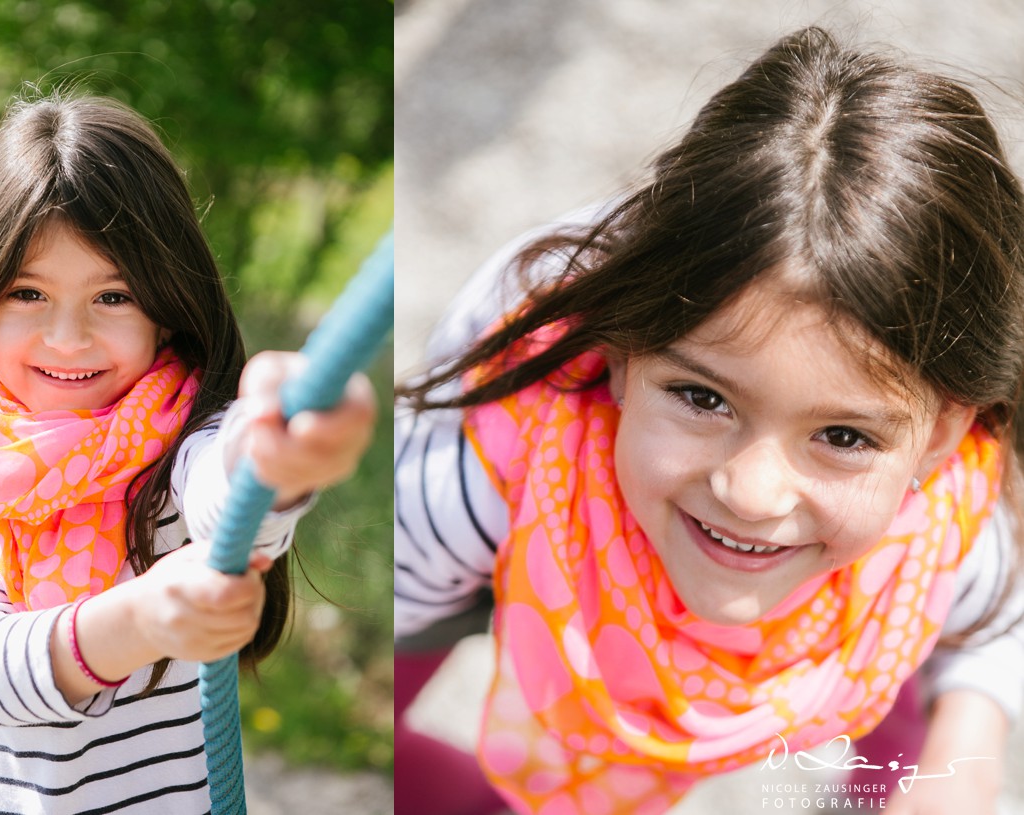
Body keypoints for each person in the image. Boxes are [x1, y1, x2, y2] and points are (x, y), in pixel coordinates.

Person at [395, 27, 1024, 815]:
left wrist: (964, 750)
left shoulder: (949, 526)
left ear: (939, 438)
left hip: (867, 594)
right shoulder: (478, 471)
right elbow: (394, 639)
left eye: (843, 435)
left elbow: (993, 621)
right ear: (622, 360)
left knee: (918, 731)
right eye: (702, 397)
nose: (751, 492)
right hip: (539, 527)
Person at [0, 93, 377, 814]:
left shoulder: (184, 438)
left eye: (114, 296)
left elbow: (234, 502)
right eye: (28, 292)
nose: (68, 338)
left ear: (166, 307)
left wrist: (277, 454)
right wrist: (141, 619)